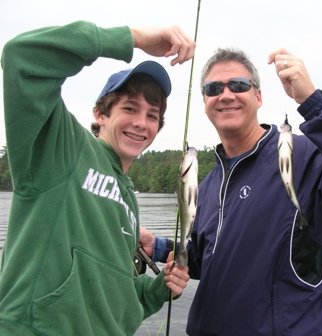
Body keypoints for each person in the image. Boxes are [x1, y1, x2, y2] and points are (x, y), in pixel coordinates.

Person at [140, 47, 322, 335]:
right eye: (214, 88)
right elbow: (204, 258)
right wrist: (158, 247)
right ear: (205, 103)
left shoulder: (306, 157)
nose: (226, 95)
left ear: (258, 96)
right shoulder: (207, 184)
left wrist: (312, 102)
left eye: (238, 85)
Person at [0, 21, 196, 335]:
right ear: (100, 113)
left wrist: (160, 288)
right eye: (130, 107)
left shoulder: (129, 199)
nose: (141, 123)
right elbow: (21, 57)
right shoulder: (62, 147)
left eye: (152, 115)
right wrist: (134, 39)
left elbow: (118, 297)